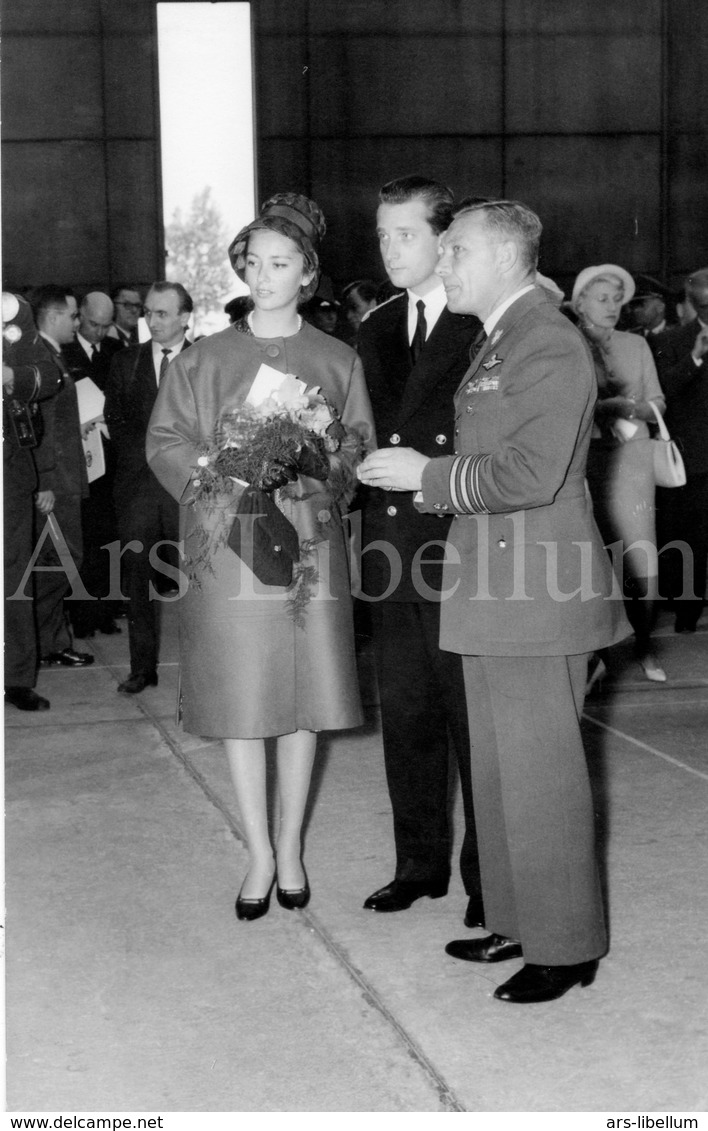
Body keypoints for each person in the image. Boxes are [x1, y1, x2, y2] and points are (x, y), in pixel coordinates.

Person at [358, 200, 629, 1004]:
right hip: (488, 587)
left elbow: (530, 473)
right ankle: (515, 917)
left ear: (507, 256)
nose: (446, 265)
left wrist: (424, 477)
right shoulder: (501, 337)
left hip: (536, 590)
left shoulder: (546, 337)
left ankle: (566, 944)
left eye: (458, 251)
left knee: (541, 776)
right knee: (503, 772)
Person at [146, 193, 375, 921]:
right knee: (243, 702)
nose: (266, 274)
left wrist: (317, 458)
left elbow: (358, 448)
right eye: (255, 261)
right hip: (229, 544)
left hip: (307, 539)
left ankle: (292, 842)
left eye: (283, 263)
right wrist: (222, 464)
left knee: (305, 696)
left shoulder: (337, 358)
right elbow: (164, 442)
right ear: (240, 267)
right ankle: (258, 851)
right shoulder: (204, 359)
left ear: (308, 273)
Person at [356, 175, 483, 925]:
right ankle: (418, 864)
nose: (390, 247)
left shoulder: (481, 322)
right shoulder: (374, 326)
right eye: (382, 234)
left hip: (463, 541)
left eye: (404, 233)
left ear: (445, 238)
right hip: (393, 544)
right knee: (405, 711)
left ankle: (486, 879)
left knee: (473, 718)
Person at [572, 265, 668, 682]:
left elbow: (657, 402)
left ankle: (645, 647)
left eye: (617, 299)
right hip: (588, 458)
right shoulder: (569, 343)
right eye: (602, 298)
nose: (612, 307)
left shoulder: (636, 345)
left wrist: (631, 408)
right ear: (580, 303)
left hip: (632, 458)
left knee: (641, 551)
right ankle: (596, 655)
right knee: (593, 557)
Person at [104, 282, 193, 693]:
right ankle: (142, 669)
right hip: (138, 488)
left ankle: (203, 669)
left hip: (188, 488)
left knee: (200, 578)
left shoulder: (203, 359)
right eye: (149, 314)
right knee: (137, 580)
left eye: (161, 314)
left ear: (184, 317)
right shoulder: (126, 362)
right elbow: (116, 421)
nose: (152, 322)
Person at [3, 292, 63, 710]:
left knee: (12, 574)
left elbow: (49, 375)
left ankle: (16, 678)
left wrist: (10, 377)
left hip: (7, 470)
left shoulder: (11, 309)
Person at [31, 286, 94, 669]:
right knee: (60, 561)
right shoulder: (40, 357)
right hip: (57, 482)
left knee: (59, 562)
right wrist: (46, 481)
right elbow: (42, 428)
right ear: (53, 316)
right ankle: (38, 643)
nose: (77, 323)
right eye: (72, 316)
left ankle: (50, 642)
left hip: (66, 476)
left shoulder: (52, 355)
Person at [63, 292, 123, 639]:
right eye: (92, 324)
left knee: (107, 538)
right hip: (78, 458)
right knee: (80, 538)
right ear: (80, 317)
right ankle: (81, 613)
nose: (99, 332)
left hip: (109, 459)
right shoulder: (65, 352)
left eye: (105, 326)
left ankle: (104, 609)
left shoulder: (116, 352)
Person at [653, 267, 708, 633]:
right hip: (695, 461)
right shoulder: (674, 341)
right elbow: (660, 393)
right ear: (692, 302)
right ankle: (687, 612)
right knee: (691, 537)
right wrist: (695, 359)